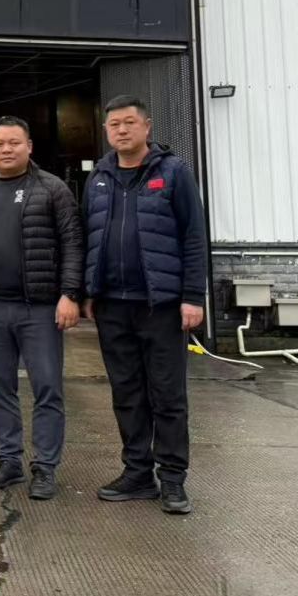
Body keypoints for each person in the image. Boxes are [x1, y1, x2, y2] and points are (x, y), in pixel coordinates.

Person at [81, 96, 207, 515]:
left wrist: (193, 297)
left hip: (162, 306)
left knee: (167, 395)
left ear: (147, 127)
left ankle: (172, 479)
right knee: (127, 394)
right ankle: (137, 472)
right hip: (113, 306)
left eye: (129, 122)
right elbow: (88, 235)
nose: (121, 130)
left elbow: (193, 237)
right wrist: (88, 291)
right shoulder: (99, 177)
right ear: (106, 131)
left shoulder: (173, 172)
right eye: (114, 124)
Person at [0, 116, 83, 501]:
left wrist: (70, 293)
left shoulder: (52, 189)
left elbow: (72, 242)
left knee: (47, 387)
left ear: (29, 146)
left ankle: (45, 466)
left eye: (14, 142)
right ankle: (9, 460)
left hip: (40, 308)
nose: (6, 149)